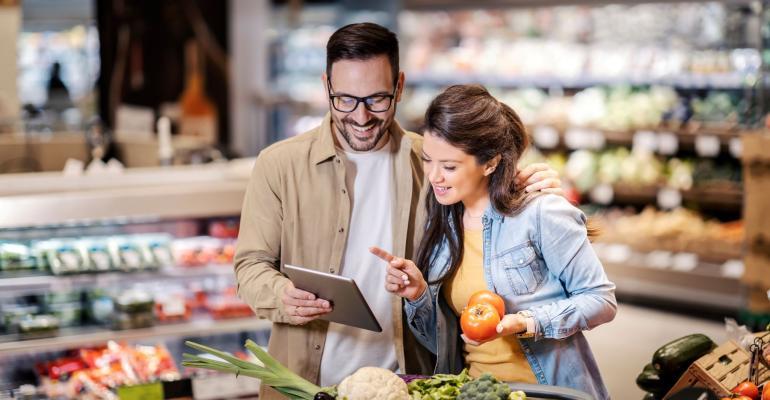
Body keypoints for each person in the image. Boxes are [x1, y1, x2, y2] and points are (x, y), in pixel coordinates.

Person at [233, 23, 562, 399]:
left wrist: (532, 189)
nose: (360, 117)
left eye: (377, 99)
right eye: (345, 99)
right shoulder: (279, 165)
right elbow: (250, 265)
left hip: (407, 384)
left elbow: (494, 209)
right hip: (304, 383)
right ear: (326, 86)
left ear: (400, 87)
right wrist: (281, 295)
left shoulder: (433, 164)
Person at [370, 84, 617, 399]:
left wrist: (527, 322)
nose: (433, 176)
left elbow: (601, 301)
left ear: (490, 163)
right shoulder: (443, 220)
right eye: (427, 160)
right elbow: (443, 344)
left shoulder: (540, 211)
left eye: (449, 166)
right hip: (479, 391)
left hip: (547, 391)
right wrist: (417, 293)